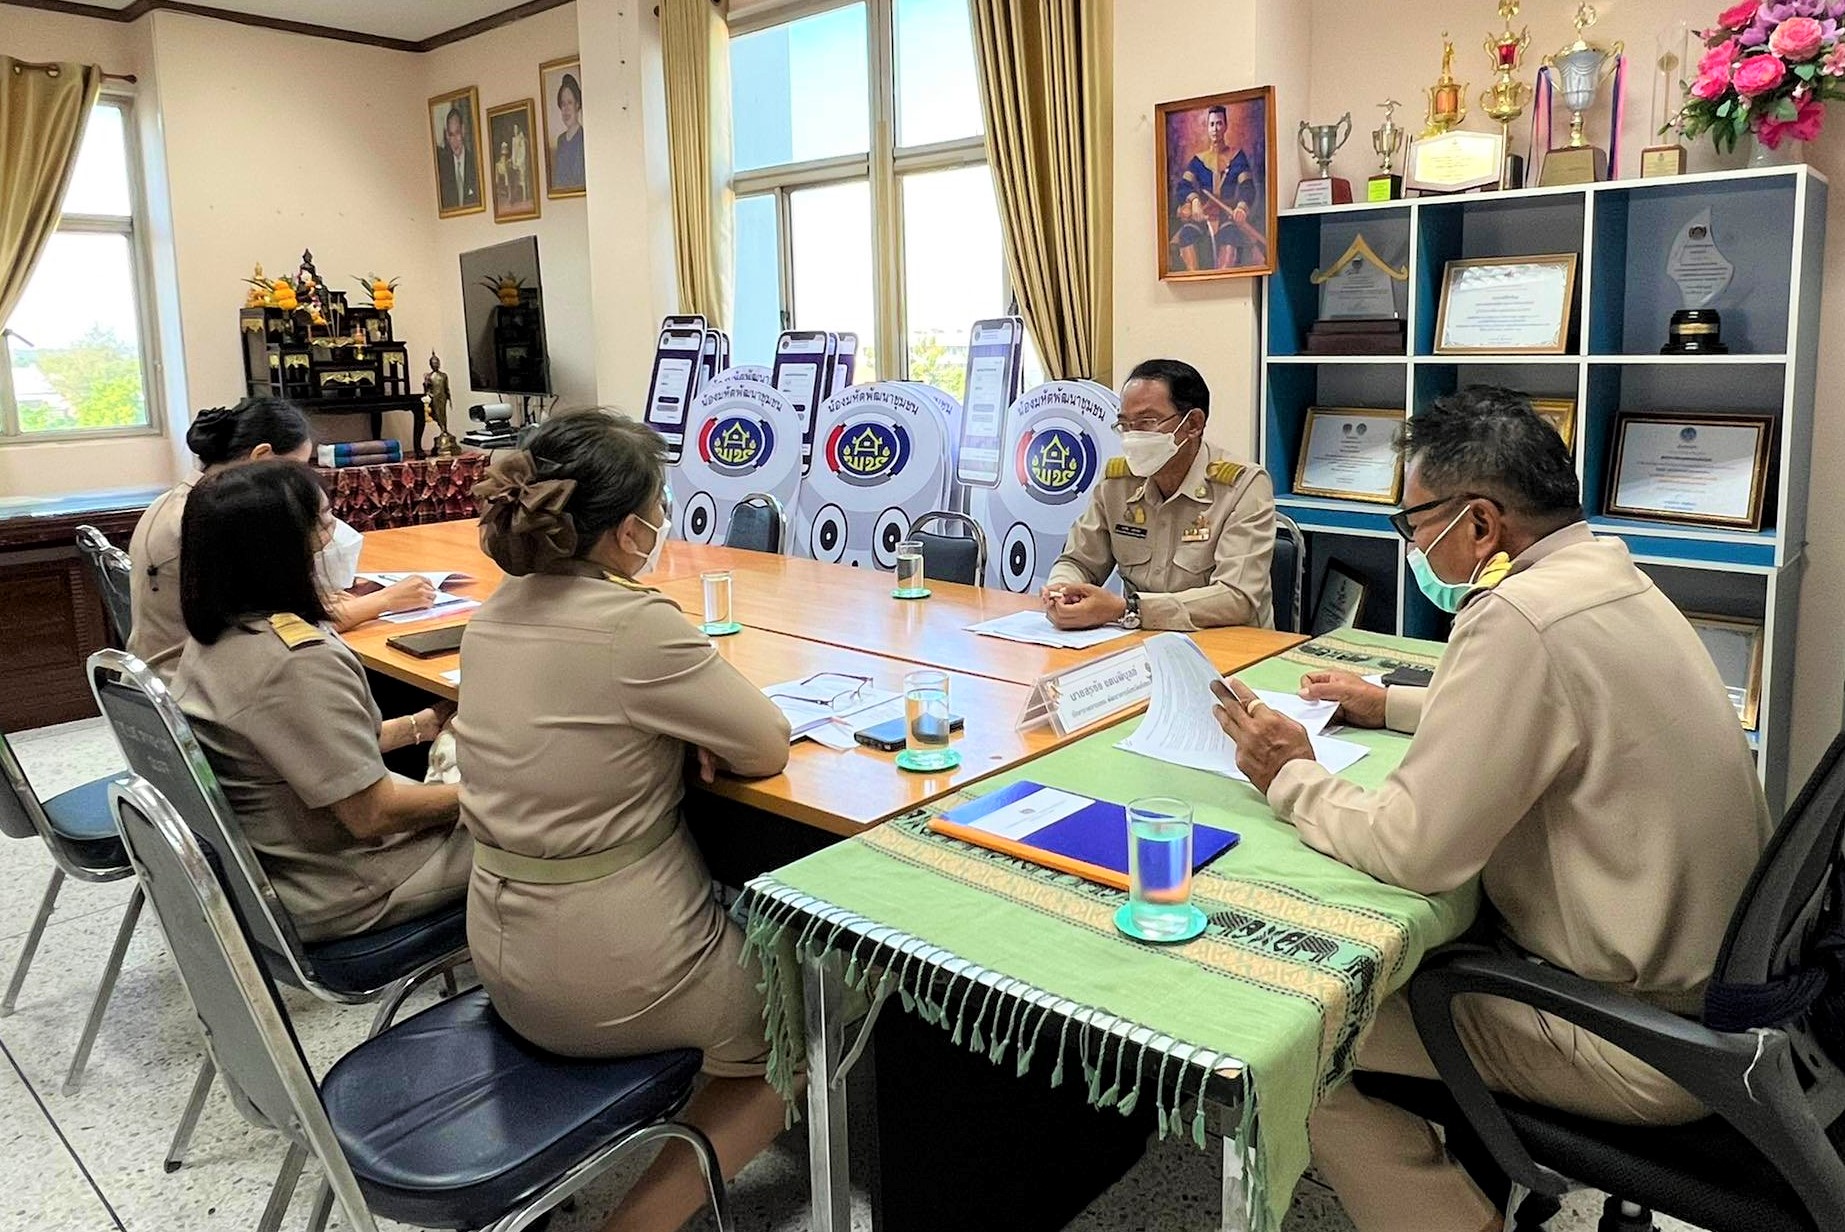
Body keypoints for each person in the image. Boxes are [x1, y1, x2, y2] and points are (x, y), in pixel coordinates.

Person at [1209, 387, 1772, 1232]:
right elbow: (1552, 708)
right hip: (1719, 1002)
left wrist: (1288, 774)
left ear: (1477, 524)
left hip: (1635, 1040)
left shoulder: (1511, 614)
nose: (1411, 546)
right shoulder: (1605, 576)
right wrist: (1389, 704)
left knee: (1289, 1039)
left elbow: (1411, 849)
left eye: (1412, 524)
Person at [452, 410, 792, 1232]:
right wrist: (689, 739)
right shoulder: (633, 624)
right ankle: (637, 1222)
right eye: (659, 504)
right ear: (625, 532)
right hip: (612, 969)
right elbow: (766, 745)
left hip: (499, 949)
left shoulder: (496, 609)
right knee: (802, 1022)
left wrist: (667, 740)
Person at [168, 461, 472, 943]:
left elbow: (318, 750)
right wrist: (505, 800)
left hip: (287, 863)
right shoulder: (296, 662)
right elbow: (375, 814)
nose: (339, 537)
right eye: (328, 522)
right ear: (280, 551)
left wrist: (424, 723)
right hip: (351, 886)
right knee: (574, 819)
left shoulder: (217, 633)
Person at [129, 398, 436, 680]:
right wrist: (385, 600)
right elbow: (289, 629)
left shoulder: (176, 500)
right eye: (296, 469)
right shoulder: (217, 519)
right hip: (204, 686)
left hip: (172, 677)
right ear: (262, 456)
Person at [1042, 358, 1274, 631]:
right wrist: (1060, 589)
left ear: (1193, 424)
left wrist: (1130, 609)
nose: (1132, 436)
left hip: (1226, 646)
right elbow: (1079, 560)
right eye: (1125, 424)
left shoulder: (1243, 485)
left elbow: (1236, 597)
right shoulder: (1118, 482)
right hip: (1138, 640)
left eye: (1147, 421)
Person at [436, 102, 480, 211]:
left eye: (457, 133)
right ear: (447, 135)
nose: (455, 140)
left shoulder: (475, 162)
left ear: (463, 130)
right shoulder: (442, 168)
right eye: (451, 135)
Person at [551, 72, 585, 192]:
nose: (566, 109)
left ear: (577, 105)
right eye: (563, 104)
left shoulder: (584, 138)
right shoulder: (561, 141)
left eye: (569, 103)